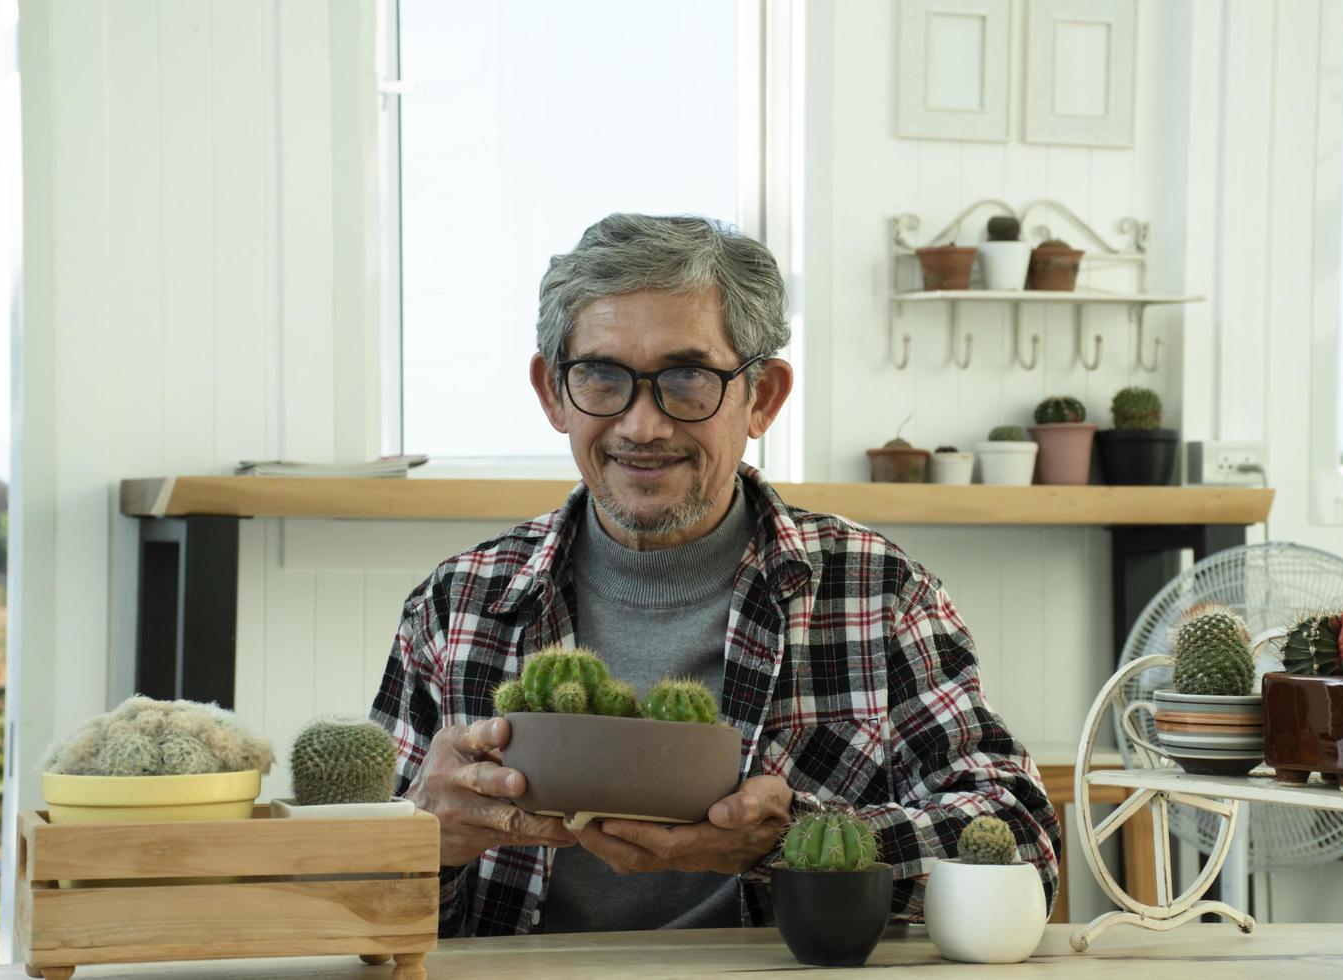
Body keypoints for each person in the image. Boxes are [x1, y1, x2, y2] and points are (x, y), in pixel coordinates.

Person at [371, 213, 1060, 937]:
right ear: (553, 393)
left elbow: (1020, 845)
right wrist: (424, 842)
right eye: (602, 377)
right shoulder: (456, 606)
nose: (642, 426)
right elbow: (340, 896)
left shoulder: (880, 595)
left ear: (762, 397)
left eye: (688, 379)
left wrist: (796, 839)